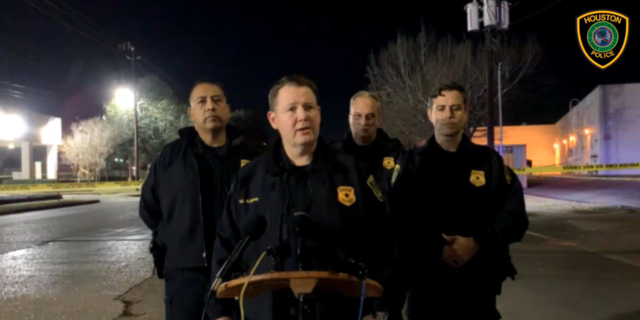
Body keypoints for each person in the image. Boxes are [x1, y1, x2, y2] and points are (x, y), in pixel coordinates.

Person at [206, 75, 399, 320]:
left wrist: (379, 307)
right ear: (273, 119)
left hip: (339, 310)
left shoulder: (353, 172)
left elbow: (381, 243)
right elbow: (225, 248)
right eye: (291, 109)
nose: (302, 116)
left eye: (308, 107)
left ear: (318, 113)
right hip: (264, 311)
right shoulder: (249, 178)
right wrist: (219, 312)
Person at [388, 82, 529, 319]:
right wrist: (438, 249)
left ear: (466, 113)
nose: (448, 115)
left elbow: (514, 217)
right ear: (430, 115)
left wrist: (477, 242)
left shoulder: (489, 163)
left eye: (455, 108)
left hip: (477, 290)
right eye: (441, 108)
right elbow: (396, 220)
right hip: (426, 290)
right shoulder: (410, 165)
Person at [139, 80, 264, 320]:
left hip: (242, 273)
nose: (210, 107)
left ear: (227, 108)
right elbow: (149, 208)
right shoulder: (171, 158)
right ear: (191, 113)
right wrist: (177, 239)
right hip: (186, 278)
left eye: (217, 100)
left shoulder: (252, 159)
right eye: (202, 101)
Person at [331, 91, 405, 194]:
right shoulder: (333, 155)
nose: (363, 122)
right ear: (349, 119)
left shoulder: (395, 152)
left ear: (378, 120)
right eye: (357, 116)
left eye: (369, 117)